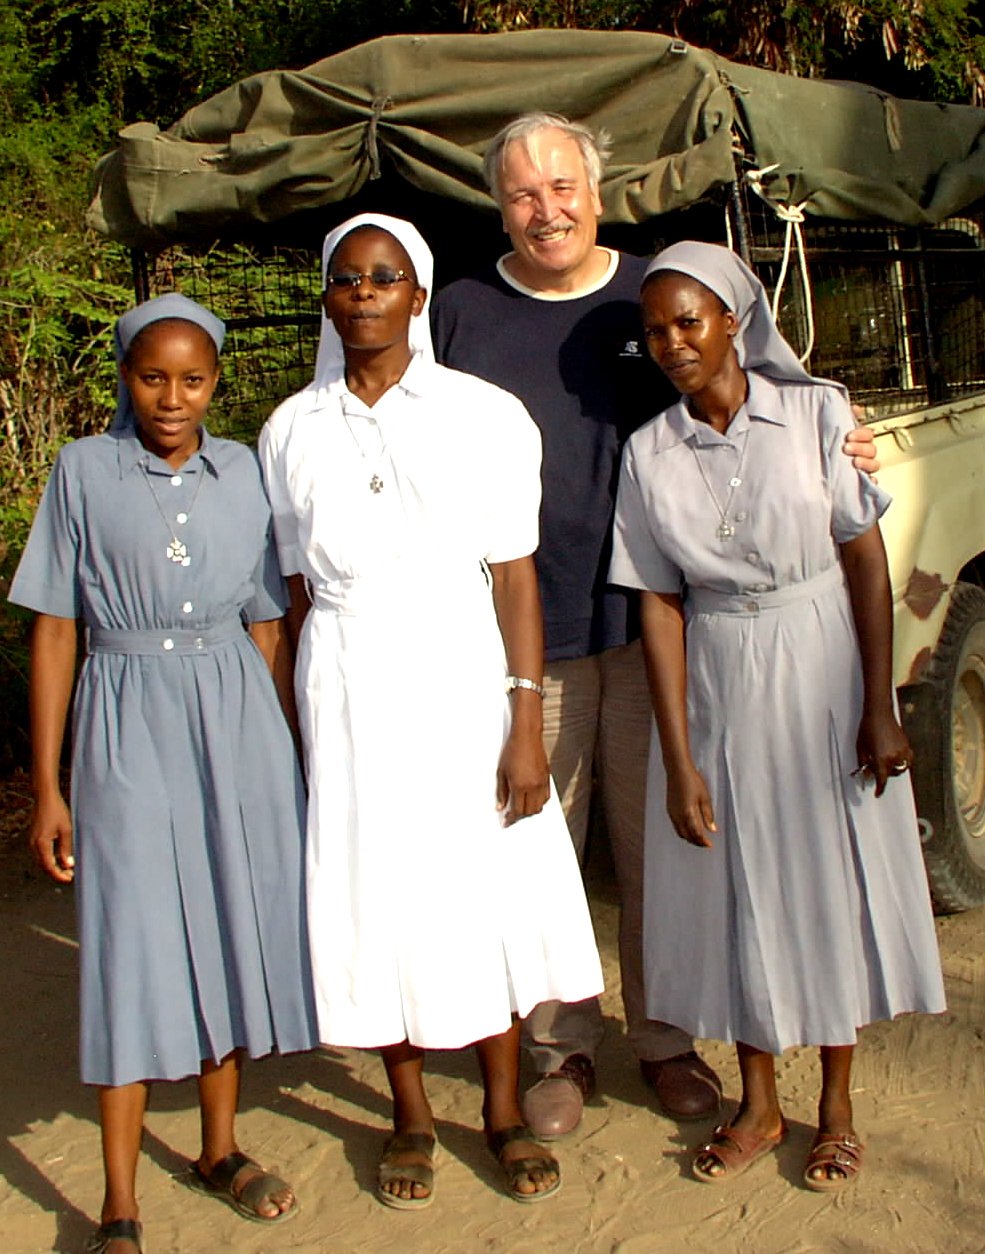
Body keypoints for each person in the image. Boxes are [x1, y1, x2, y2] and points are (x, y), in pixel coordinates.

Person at [431, 112, 881, 1137]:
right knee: (535, 853)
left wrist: (840, 432)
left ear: (598, 190)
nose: (544, 210)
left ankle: (666, 1039)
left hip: (656, 623)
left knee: (662, 852)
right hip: (516, 637)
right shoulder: (458, 312)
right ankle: (561, 1047)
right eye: (520, 194)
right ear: (497, 207)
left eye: (561, 187)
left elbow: (759, 384)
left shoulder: (655, 295)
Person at [258, 213, 603, 1210]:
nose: (363, 292)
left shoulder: (483, 413)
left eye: (386, 276)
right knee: (377, 897)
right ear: (329, 298)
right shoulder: (290, 429)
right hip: (347, 683)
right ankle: (408, 1113)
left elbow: (514, 579)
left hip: (462, 676)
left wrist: (525, 716)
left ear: (419, 294)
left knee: (472, 892)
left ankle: (498, 1110)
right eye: (346, 278)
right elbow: (291, 597)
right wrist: (291, 731)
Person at [608, 241, 946, 1189]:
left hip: (823, 659)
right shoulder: (648, 452)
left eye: (689, 320)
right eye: (655, 329)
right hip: (719, 674)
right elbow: (658, 603)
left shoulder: (816, 414)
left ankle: (835, 1105)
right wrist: (678, 760)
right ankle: (758, 1104)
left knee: (828, 877)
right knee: (740, 885)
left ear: (733, 320)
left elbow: (865, 559)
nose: (672, 342)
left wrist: (877, 706)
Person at [9, 295, 318, 1254]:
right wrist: (50, 785)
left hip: (234, 719)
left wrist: (286, 758)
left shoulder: (244, 473)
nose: (171, 398)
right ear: (125, 377)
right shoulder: (83, 471)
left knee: (228, 922)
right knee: (130, 937)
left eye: (191, 380)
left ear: (216, 382)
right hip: (127, 711)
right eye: (153, 377)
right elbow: (55, 627)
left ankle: (220, 1147)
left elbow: (270, 627)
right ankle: (116, 1200)